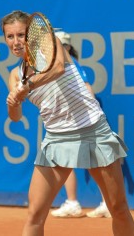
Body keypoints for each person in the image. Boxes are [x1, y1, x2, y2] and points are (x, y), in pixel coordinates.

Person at [2, 10, 134, 236]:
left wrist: (28, 86)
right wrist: (13, 102)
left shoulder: (49, 43)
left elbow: (58, 68)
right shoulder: (16, 75)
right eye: (10, 36)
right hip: (56, 140)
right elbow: (15, 117)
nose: (16, 42)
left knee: (118, 208)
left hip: (93, 131)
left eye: (21, 35)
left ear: (31, 34)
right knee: (35, 214)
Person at [51, 30, 111, 218]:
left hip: (80, 120)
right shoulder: (60, 65)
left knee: (93, 162)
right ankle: (75, 202)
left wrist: (93, 114)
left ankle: (98, 203)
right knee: (65, 160)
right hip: (70, 120)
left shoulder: (70, 65)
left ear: (67, 47)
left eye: (59, 44)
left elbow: (86, 87)